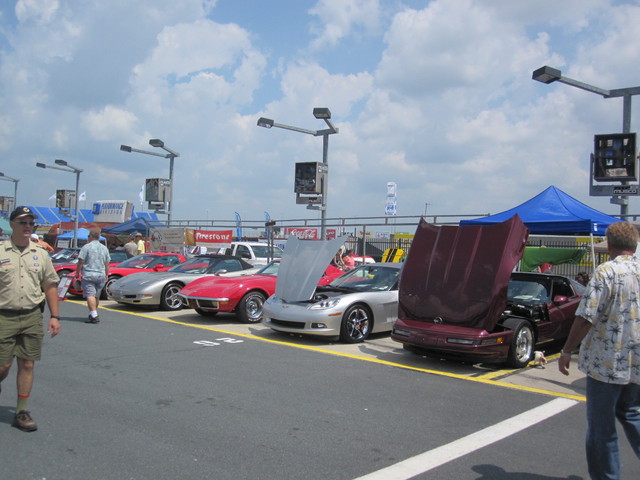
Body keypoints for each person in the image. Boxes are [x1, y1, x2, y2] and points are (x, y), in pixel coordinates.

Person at [558, 221, 640, 480]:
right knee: (631, 413)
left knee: (601, 430)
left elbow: (585, 316)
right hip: (636, 361)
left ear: (610, 244)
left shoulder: (607, 271)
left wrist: (567, 350)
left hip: (606, 362)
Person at [0, 206, 61, 432]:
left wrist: (55, 316)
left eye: (31, 223)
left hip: (32, 315)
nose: (28, 227)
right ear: (12, 224)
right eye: (23, 222)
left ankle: (22, 411)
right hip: (3, 316)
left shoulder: (41, 253)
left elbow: (50, 285)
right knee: (3, 365)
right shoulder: (1, 251)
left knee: (27, 363)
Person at [74, 228, 110, 324]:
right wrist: (106, 274)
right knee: (96, 296)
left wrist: (77, 272)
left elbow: (81, 261)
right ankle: (93, 312)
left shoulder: (86, 247)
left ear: (90, 236)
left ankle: (94, 315)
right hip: (101, 274)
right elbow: (107, 263)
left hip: (89, 274)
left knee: (90, 294)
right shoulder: (104, 248)